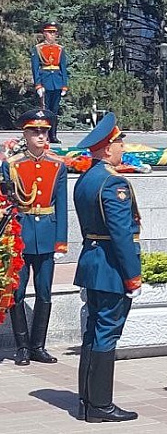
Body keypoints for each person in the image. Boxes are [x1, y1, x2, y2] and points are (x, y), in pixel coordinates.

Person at [73, 112, 141, 423]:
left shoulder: (86, 178)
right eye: (119, 143)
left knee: (93, 331)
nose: (122, 148)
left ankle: (87, 400)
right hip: (112, 265)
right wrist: (133, 276)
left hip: (92, 260)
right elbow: (121, 234)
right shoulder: (114, 182)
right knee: (107, 333)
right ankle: (100, 405)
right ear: (106, 148)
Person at [0, 109, 68, 366]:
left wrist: (61, 241)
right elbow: (8, 203)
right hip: (20, 235)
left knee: (45, 293)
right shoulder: (12, 165)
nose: (41, 136)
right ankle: (22, 347)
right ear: (25, 134)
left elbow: (61, 206)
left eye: (44, 131)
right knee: (17, 293)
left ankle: (38, 345)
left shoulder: (57, 165)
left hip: (47, 235)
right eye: (35, 132)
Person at [31, 22, 69, 144]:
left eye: (54, 33)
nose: (52, 35)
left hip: (57, 82)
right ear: (44, 33)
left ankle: (53, 135)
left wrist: (64, 85)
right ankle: (45, 135)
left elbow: (63, 68)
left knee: (54, 111)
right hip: (45, 82)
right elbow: (35, 68)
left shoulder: (60, 49)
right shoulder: (38, 49)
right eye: (50, 32)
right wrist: (38, 85)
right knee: (45, 111)